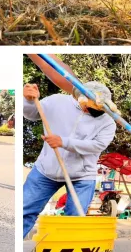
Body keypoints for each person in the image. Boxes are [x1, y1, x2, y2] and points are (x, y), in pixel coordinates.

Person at [22, 55, 117, 238]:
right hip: (45, 171)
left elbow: (97, 145)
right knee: (25, 211)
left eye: (100, 108)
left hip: (82, 176)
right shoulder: (57, 101)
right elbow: (33, 113)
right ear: (80, 100)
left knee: (74, 221)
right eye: (91, 107)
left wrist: (64, 142)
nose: (95, 112)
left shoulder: (108, 121)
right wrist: (27, 100)